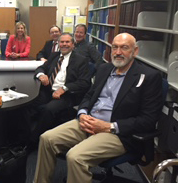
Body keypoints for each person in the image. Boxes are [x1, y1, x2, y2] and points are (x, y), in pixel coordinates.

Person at [33, 33, 163, 183]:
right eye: (115, 47)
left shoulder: (149, 76)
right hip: (87, 122)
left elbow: (148, 119)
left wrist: (109, 126)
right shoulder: (104, 69)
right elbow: (88, 96)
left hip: (117, 133)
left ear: (135, 51)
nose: (118, 52)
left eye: (124, 48)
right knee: (46, 139)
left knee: (76, 157)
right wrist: (82, 113)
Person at [26, 33, 91, 147]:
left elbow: (84, 82)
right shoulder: (54, 56)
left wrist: (64, 88)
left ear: (73, 44)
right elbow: (41, 68)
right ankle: (22, 135)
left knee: (48, 110)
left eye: (67, 42)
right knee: (27, 103)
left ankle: (33, 142)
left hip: (66, 95)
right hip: (48, 90)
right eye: (62, 42)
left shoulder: (81, 60)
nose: (64, 44)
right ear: (58, 44)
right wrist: (41, 75)